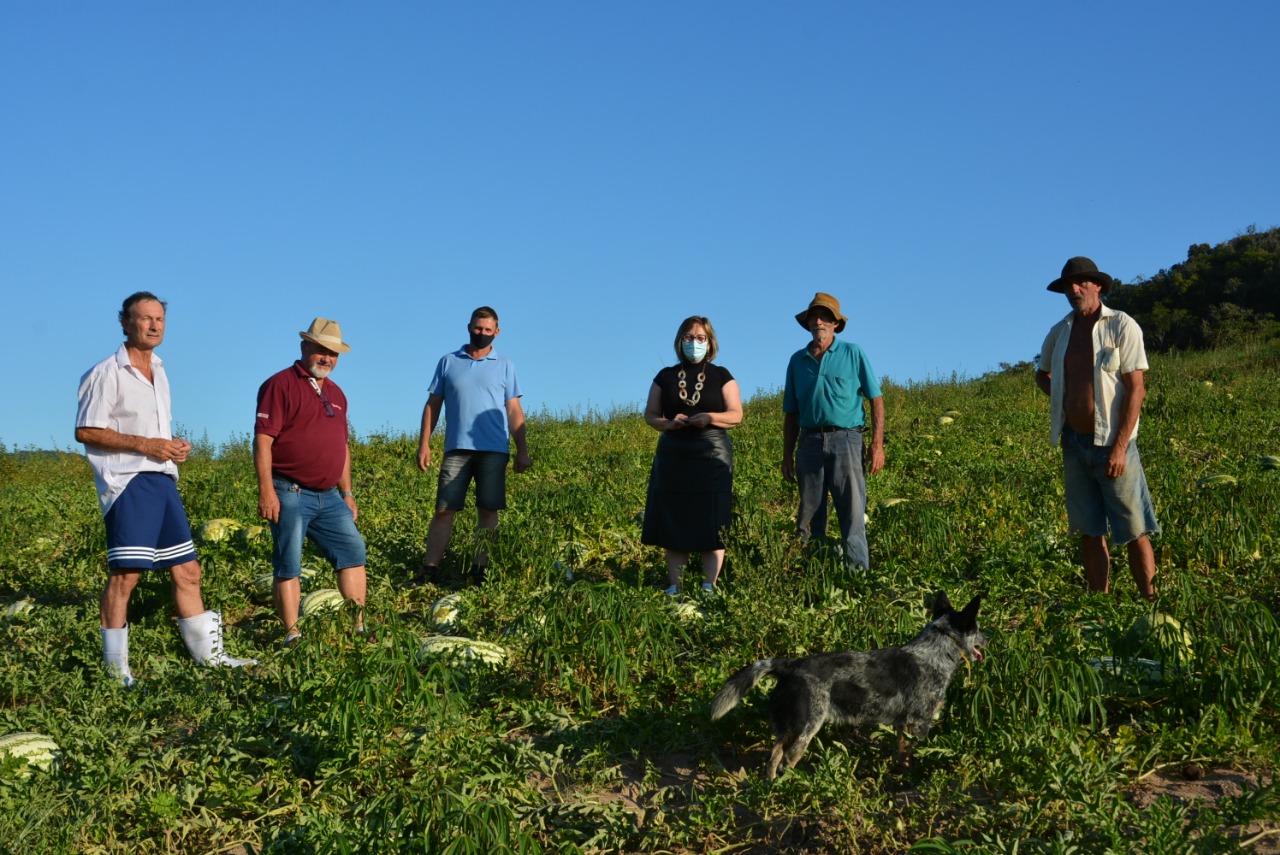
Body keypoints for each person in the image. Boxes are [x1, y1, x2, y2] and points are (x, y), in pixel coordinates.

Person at [76, 292, 255, 687]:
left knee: (188, 571)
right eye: (145, 319)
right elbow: (86, 430)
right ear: (125, 323)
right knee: (127, 575)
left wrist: (170, 446)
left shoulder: (160, 369)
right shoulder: (106, 372)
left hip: (162, 480)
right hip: (128, 484)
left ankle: (212, 658)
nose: (154, 325)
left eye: (159, 318)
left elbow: (149, 434)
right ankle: (114, 671)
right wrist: (148, 445)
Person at [1035, 257, 1158, 600]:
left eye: (1081, 283)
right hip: (1074, 443)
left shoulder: (1121, 325)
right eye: (1068, 286)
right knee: (1089, 530)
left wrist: (1119, 447)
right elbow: (1041, 373)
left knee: (1134, 528)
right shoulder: (1060, 332)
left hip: (1112, 443)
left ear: (1097, 286)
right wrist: (1061, 398)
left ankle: (1149, 600)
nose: (1074, 290)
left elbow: (1137, 389)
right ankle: (1098, 605)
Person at [254, 318, 368, 646]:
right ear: (304, 347)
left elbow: (342, 446)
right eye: (321, 350)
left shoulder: (337, 393)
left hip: (330, 496)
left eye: (333, 353)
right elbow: (263, 441)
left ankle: (357, 626)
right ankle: (292, 633)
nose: (327, 358)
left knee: (353, 551)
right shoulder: (280, 384)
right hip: (289, 491)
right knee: (289, 560)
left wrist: (347, 492)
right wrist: (266, 491)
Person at [413, 306, 532, 586]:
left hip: (494, 450)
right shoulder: (448, 362)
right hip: (457, 448)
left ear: (497, 332)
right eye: (478, 328)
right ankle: (429, 569)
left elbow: (514, 410)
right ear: (469, 327)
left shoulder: (505, 365)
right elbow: (433, 405)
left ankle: (480, 571)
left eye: (488, 330)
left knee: (488, 511)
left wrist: (523, 450)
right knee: (444, 509)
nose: (482, 334)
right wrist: (424, 444)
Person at [781, 292, 885, 570]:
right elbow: (791, 412)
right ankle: (814, 572)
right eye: (814, 316)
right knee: (809, 514)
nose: (819, 321)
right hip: (809, 441)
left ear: (836, 324)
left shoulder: (853, 353)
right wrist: (787, 455)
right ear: (808, 323)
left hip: (847, 439)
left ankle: (857, 576)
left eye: (826, 317)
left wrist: (877, 443)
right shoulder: (797, 361)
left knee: (851, 512)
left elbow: (876, 398)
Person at [642, 316, 743, 595]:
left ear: (710, 343)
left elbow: (736, 414)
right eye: (689, 337)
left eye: (700, 338)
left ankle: (709, 585)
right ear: (679, 340)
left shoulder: (722, 374)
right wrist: (668, 424)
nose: (694, 343)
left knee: (712, 516)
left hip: (711, 452)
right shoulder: (665, 376)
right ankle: (676, 585)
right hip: (674, 452)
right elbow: (650, 414)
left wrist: (709, 417)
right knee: (675, 515)